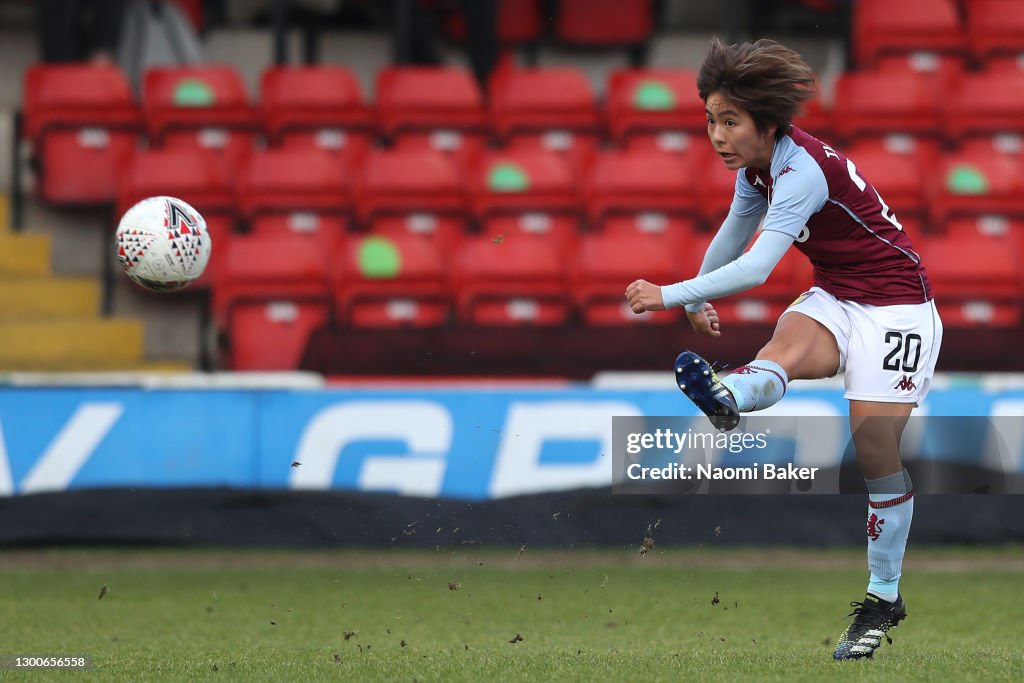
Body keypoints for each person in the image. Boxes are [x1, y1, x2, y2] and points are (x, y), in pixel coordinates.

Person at [625, 38, 942, 661]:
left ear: (766, 123)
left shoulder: (801, 172)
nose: (716, 134)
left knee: (874, 444)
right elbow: (730, 239)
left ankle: (884, 597)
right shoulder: (757, 169)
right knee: (782, 352)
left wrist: (668, 294)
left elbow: (756, 269)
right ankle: (728, 393)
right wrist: (693, 297)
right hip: (838, 296)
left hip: (900, 307)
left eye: (729, 121)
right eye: (711, 120)